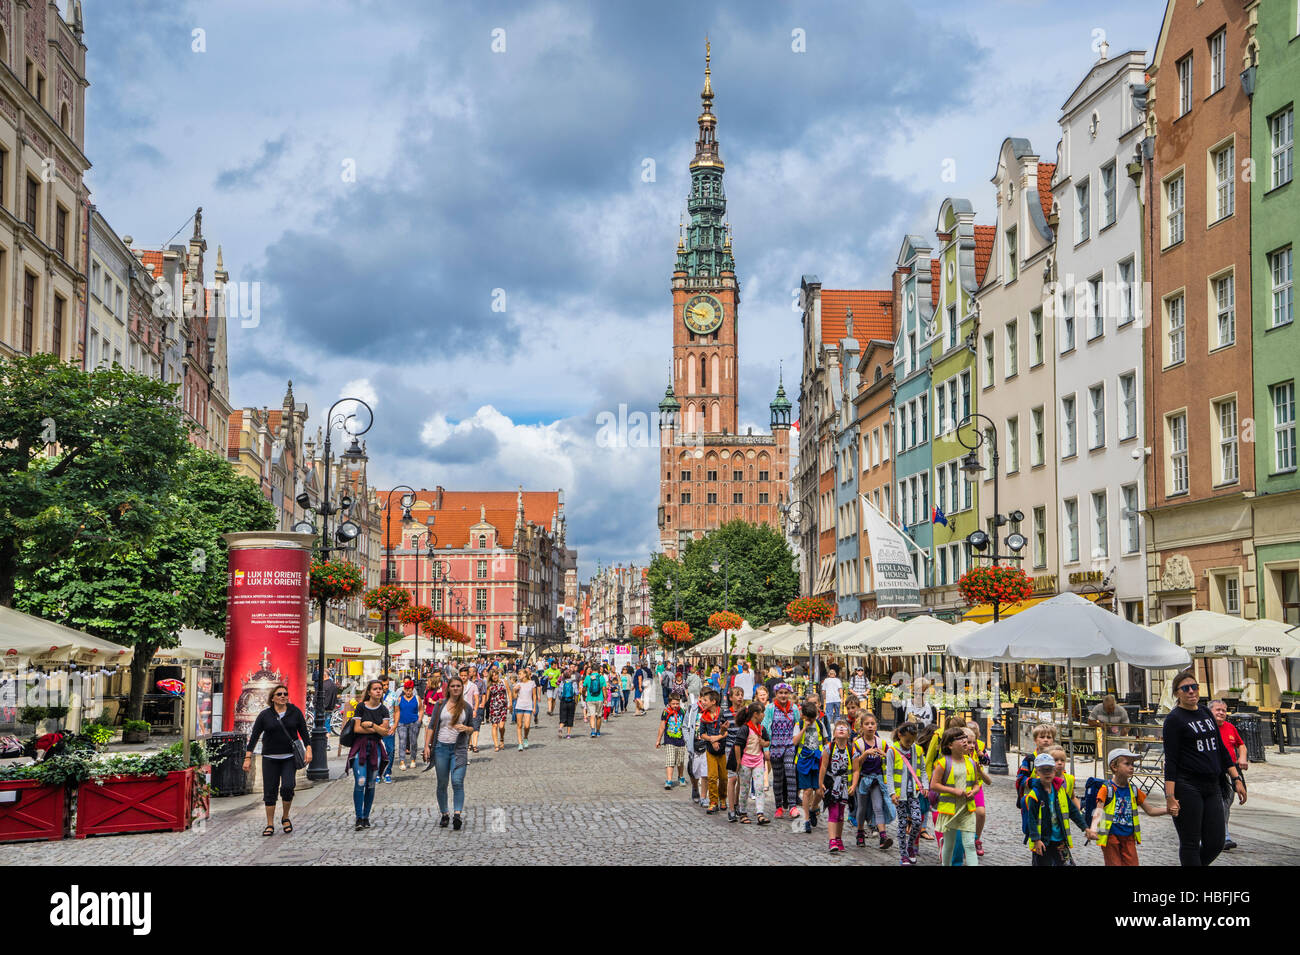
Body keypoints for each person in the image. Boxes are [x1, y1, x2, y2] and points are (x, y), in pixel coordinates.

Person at [1162, 670, 1246, 866]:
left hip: (1212, 784)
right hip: (1187, 785)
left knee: (1216, 842)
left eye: (1194, 687)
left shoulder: (1205, 712)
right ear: (1177, 693)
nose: (1191, 691)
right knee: (1190, 842)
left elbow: (1221, 750)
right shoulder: (1174, 720)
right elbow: (1171, 761)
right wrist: (1170, 796)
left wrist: (1236, 779)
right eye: (1185, 688)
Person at [243, 684, 311, 836]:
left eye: (285, 694)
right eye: (279, 694)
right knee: (270, 791)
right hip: (269, 758)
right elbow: (254, 737)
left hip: (289, 757)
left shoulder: (295, 712)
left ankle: (285, 817)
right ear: (272, 698)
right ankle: (269, 824)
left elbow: (304, 733)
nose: (283, 696)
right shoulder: (265, 715)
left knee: (288, 787)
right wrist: (248, 757)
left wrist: (309, 749)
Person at [1086, 747, 1171, 865]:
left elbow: (1150, 810)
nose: (1132, 767)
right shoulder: (1107, 789)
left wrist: (1167, 810)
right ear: (1114, 767)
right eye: (1127, 764)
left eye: (1132, 764)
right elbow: (1098, 812)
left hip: (1129, 837)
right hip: (1111, 837)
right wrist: (1093, 829)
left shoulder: (1134, 790)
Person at [929, 725, 990, 866]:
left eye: (965, 738)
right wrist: (954, 791)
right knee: (949, 845)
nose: (964, 741)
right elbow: (934, 785)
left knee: (969, 844)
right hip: (950, 810)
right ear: (950, 745)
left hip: (967, 809)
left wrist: (974, 791)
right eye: (960, 738)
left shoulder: (971, 762)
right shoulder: (943, 763)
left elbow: (975, 784)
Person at [423, 675, 474, 830]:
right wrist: (427, 746)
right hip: (441, 748)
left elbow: (472, 727)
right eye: (453, 686)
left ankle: (457, 814)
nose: (456, 688)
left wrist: (466, 729)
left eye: (458, 686)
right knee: (442, 783)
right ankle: (445, 814)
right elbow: (431, 726)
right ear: (448, 688)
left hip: (459, 750)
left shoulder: (466, 707)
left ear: (462, 687)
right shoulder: (440, 705)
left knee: (457, 782)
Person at [1022, 752, 1087, 866]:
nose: (1047, 773)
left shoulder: (1060, 790)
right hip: (1043, 841)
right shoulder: (1035, 795)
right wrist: (1036, 840)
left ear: (1054, 771)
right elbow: (1032, 819)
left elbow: (1072, 811)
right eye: (1043, 770)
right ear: (1037, 772)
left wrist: (1085, 828)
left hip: (1060, 839)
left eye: (1050, 769)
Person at [346, 679, 391, 831]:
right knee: (360, 781)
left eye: (380, 689)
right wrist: (378, 729)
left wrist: (371, 725)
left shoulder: (383, 710)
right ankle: (359, 816)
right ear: (369, 692)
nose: (379, 691)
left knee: (371, 783)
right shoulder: (361, 707)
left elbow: (385, 732)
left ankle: (366, 817)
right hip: (360, 747)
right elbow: (357, 729)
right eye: (375, 689)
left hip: (376, 748)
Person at [884, 721, 925, 865]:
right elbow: (888, 774)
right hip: (899, 795)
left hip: (913, 793)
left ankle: (910, 846)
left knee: (917, 820)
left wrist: (924, 786)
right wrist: (891, 793)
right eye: (907, 741)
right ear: (900, 735)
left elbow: (922, 769)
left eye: (912, 741)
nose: (910, 743)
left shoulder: (917, 750)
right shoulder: (892, 751)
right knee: (902, 823)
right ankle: (903, 855)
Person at [851, 712, 893, 850]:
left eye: (872, 724)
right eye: (867, 724)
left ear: (876, 725)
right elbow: (855, 765)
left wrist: (885, 755)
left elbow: (891, 760)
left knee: (878, 807)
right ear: (862, 727)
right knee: (862, 808)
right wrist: (865, 754)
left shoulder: (882, 743)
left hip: (877, 779)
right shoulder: (858, 744)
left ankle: (883, 836)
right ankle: (860, 833)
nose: (870, 726)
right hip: (863, 779)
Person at [1210, 699, 1247, 851]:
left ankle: (1220, 833)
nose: (1221, 713)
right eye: (1218, 710)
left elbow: (1241, 744)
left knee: (1227, 801)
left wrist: (1242, 757)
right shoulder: (1207, 728)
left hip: (1231, 770)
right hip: (1213, 771)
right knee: (1220, 803)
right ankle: (1223, 836)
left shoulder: (1230, 727)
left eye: (1224, 710)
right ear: (1210, 711)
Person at [763, 683, 800, 820]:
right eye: (780, 693)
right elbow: (765, 727)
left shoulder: (794, 708)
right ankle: (779, 807)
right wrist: (766, 748)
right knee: (778, 778)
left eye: (785, 693)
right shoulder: (770, 709)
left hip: (789, 746)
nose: (783, 696)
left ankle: (792, 806)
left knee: (791, 774)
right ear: (776, 694)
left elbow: (797, 725)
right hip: (775, 747)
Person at [817, 718, 854, 853]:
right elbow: (823, 767)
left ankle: (839, 838)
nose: (842, 729)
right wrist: (820, 784)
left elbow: (856, 769)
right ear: (834, 733)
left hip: (844, 786)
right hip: (832, 784)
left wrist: (854, 785)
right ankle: (832, 840)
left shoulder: (852, 749)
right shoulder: (829, 748)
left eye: (844, 727)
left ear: (849, 734)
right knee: (833, 811)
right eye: (839, 727)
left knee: (841, 814)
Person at [734, 702, 771, 824]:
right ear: (756, 714)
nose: (764, 715)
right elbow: (737, 745)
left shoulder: (761, 728)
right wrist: (738, 761)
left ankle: (760, 813)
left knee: (759, 787)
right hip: (745, 761)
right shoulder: (745, 728)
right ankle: (743, 812)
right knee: (745, 788)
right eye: (762, 713)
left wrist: (763, 743)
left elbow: (767, 742)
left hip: (758, 761)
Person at [793, 701, 826, 833]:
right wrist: (804, 728)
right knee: (807, 791)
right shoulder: (799, 725)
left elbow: (825, 741)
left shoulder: (819, 724)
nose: (812, 720)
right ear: (803, 716)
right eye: (809, 718)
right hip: (803, 760)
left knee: (819, 791)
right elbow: (795, 742)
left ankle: (813, 809)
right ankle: (806, 819)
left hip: (817, 760)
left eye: (814, 718)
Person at [697, 689, 729, 814]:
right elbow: (702, 734)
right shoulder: (704, 716)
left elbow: (727, 731)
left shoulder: (723, 714)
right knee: (712, 777)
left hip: (723, 750)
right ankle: (713, 801)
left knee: (724, 777)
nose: (702, 702)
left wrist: (717, 738)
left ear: (713, 701)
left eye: (705, 700)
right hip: (710, 750)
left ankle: (723, 798)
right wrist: (711, 739)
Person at [657, 692, 688, 789]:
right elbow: (662, 726)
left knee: (680, 761)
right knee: (670, 760)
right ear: (669, 703)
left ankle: (681, 776)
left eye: (677, 703)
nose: (675, 706)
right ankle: (669, 780)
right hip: (669, 740)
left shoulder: (682, 712)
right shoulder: (666, 712)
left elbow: (686, 726)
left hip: (681, 740)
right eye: (673, 704)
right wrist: (658, 740)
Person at [393, 679, 422, 770]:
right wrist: (395, 722)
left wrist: (419, 720)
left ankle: (413, 759)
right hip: (401, 723)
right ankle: (402, 761)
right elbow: (396, 711)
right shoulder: (400, 699)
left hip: (414, 722)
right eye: (406, 690)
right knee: (402, 741)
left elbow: (421, 710)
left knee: (413, 742)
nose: (408, 692)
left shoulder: (417, 698)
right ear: (404, 690)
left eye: (410, 690)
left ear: (412, 690)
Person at [512, 666, 537, 751]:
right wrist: (515, 690)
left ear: (525, 675)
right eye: (518, 674)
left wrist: (534, 707)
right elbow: (514, 697)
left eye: (520, 674)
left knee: (527, 726)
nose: (518, 676)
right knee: (519, 725)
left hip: (528, 706)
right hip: (519, 706)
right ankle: (520, 743)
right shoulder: (518, 684)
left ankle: (525, 737)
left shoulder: (532, 683)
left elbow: (534, 695)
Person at [485, 668, 511, 752]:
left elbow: (509, 692)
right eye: (492, 676)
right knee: (494, 726)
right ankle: (496, 745)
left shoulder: (503, 681)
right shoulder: (490, 685)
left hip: (503, 706)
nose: (495, 677)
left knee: (501, 726)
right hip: (493, 707)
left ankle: (502, 739)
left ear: (498, 674)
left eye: (496, 674)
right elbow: (487, 698)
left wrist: (510, 704)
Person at [556, 667, 579, 739]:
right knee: (570, 717)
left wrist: (561, 698)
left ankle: (560, 728)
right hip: (571, 701)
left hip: (563, 701)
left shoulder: (562, 682)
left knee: (562, 716)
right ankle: (568, 734)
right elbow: (576, 692)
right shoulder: (573, 682)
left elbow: (559, 693)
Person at [584, 666, 607, 737]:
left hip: (590, 699)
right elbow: (604, 689)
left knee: (592, 716)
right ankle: (598, 731)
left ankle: (593, 731)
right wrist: (605, 698)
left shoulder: (588, 677)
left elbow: (584, 687)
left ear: (591, 670)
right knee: (599, 716)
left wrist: (583, 695)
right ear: (598, 670)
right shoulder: (601, 677)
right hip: (599, 699)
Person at [317, 670, 340, 734]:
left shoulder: (322, 685)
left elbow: (317, 696)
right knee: (327, 725)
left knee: (317, 726)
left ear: (323, 676)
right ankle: (326, 741)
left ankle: (320, 741)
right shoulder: (333, 685)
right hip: (330, 708)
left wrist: (315, 704)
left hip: (321, 708)